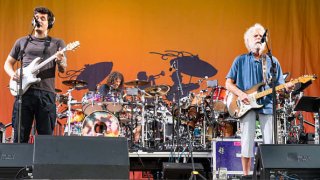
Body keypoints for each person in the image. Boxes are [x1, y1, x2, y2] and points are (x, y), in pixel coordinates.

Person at [225, 23, 293, 175]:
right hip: (245, 105)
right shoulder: (240, 60)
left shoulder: (272, 61)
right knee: (247, 141)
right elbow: (228, 83)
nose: (258, 38)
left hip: (267, 104)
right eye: (254, 36)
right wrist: (241, 94)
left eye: (260, 36)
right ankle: (246, 175)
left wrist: (286, 87)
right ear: (248, 41)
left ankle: (269, 174)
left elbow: (279, 85)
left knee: (269, 142)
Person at [4, 7, 67, 143]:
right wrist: (12, 75)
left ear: (49, 23)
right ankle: (20, 164)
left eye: (43, 18)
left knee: (45, 137)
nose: (39, 20)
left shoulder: (57, 43)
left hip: (46, 94)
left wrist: (61, 60)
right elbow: (8, 63)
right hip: (24, 93)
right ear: (33, 21)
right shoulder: (22, 42)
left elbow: (63, 69)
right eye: (37, 18)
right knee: (20, 136)